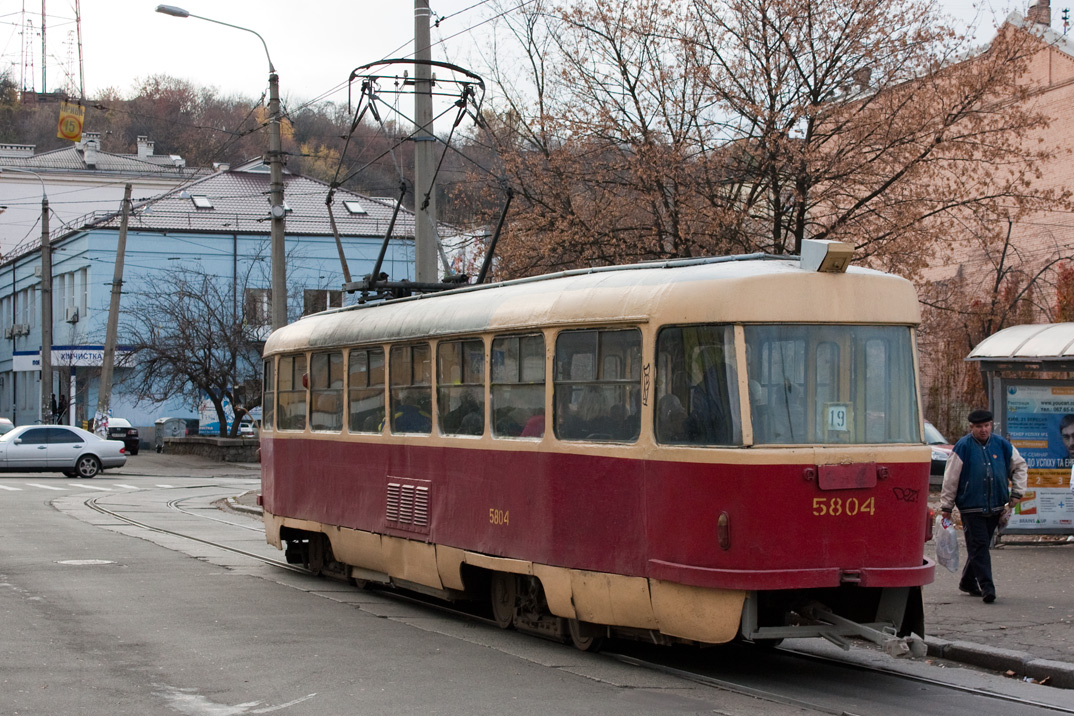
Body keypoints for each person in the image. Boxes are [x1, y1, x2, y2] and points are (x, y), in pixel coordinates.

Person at [940, 409, 1027, 604]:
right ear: (971, 427)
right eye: (979, 426)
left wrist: (1017, 492)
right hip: (971, 506)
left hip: (996, 505)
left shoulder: (1001, 445)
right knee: (979, 545)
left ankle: (967, 581)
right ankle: (988, 587)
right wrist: (946, 506)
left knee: (980, 545)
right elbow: (951, 478)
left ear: (991, 425)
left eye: (987, 426)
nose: (983, 430)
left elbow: (1020, 466)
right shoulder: (963, 447)